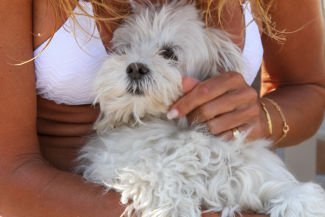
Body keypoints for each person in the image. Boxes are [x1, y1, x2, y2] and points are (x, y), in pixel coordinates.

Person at [0, 0, 324, 216]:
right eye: (123, 50)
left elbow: (309, 86)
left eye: (168, 54)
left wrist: (256, 119)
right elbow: (7, 173)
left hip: (225, 170)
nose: (136, 65)